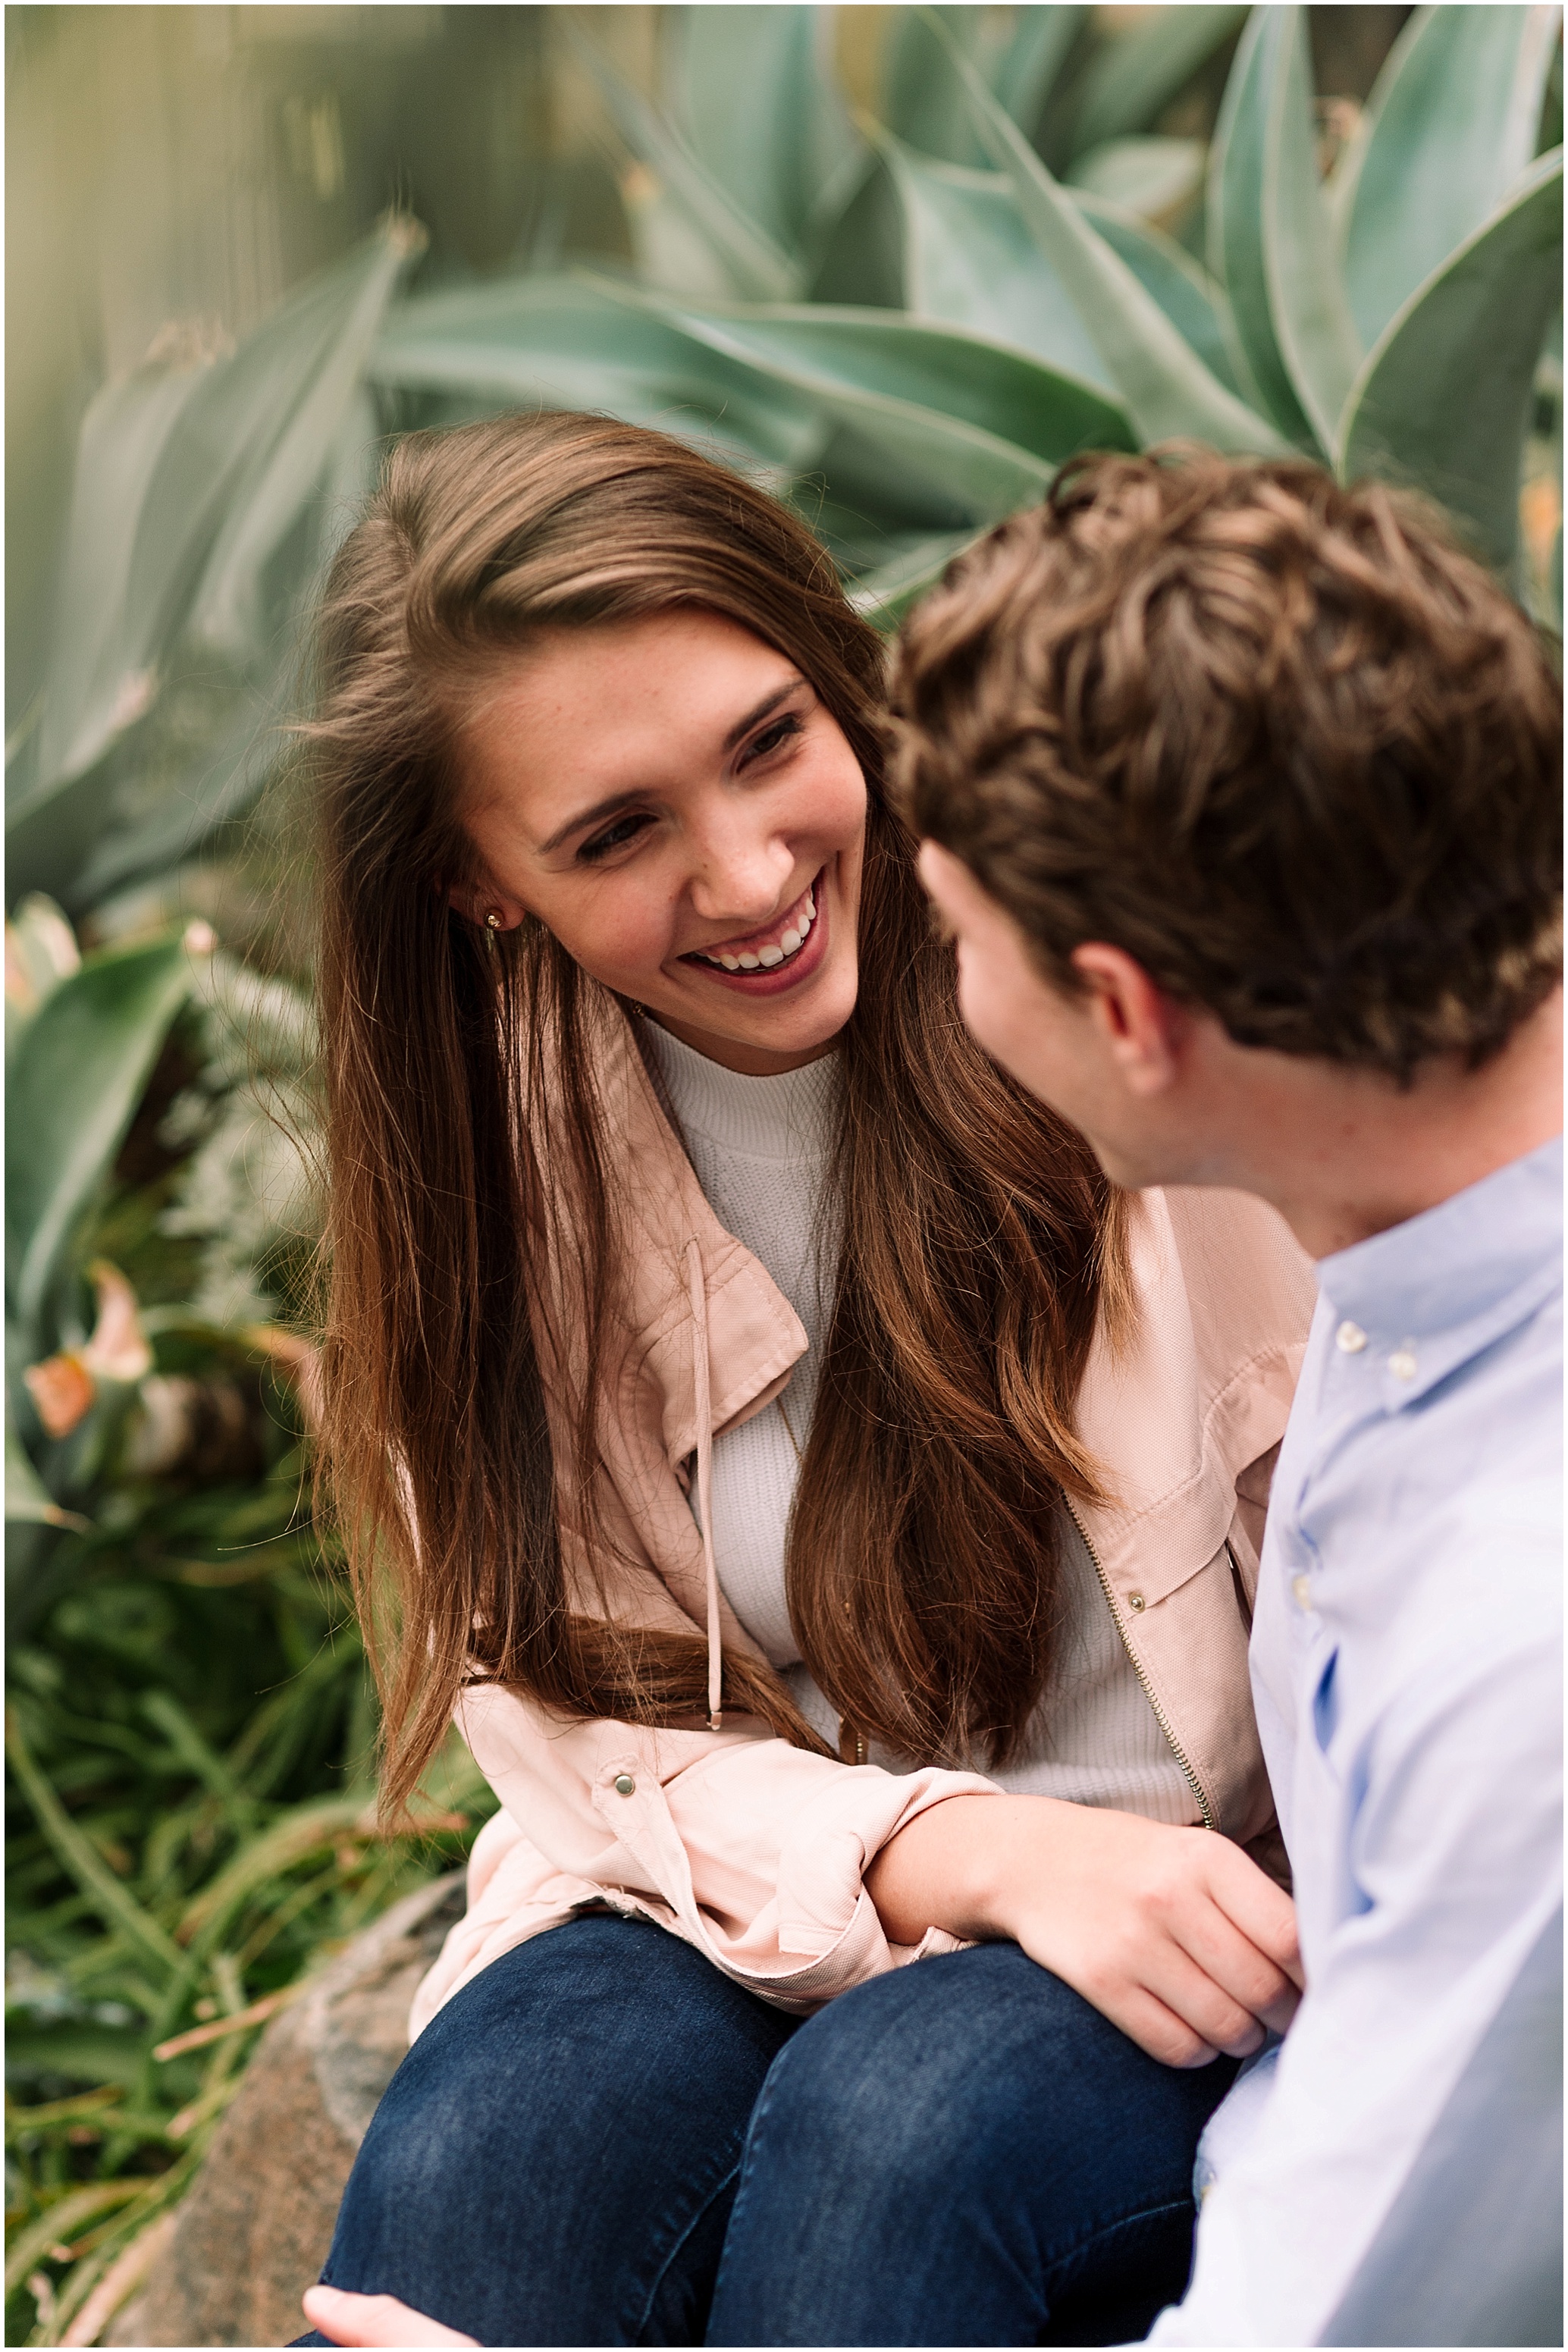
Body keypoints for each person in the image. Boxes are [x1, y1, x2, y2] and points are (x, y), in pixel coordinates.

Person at [289, 413, 1313, 2350]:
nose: (749, 871)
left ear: (834, 670)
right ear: (476, 881)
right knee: (490, 2160)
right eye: (615, 832)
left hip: (1185, 1923)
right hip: (739, 1905)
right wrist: (960, 1849)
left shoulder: (1121, 977)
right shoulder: (494, 1170)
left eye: (768, 741)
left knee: (899, 2129)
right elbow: (586, 1739)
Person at [901, 450, 1563, 2347]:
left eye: (953, 936)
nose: (941, 993)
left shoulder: (1530, 1651)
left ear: (1123, 1012)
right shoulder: (1425, 1242)